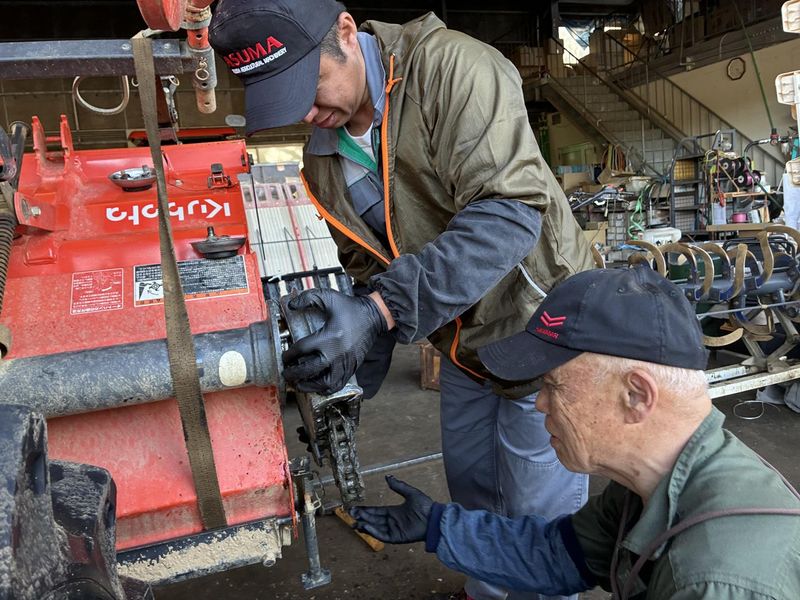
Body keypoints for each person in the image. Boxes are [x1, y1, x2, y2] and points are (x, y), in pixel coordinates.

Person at [209, 3, 595, 598]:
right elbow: (368, 259)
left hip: (540, 329)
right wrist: (368, 333)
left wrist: (381, 311)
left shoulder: (453, 70)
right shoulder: (322, 156)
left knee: (536, 511)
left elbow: (508, 213)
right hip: (462, 343)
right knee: (472, 489)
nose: (309, 113)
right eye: (288, 103)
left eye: (308, 86)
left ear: (345, 29)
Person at [350, 266, 800, 599]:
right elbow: (562, 554)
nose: (540, 403)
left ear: (636, 396)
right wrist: (438, 526)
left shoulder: (713, 579)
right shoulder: (656, 484)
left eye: (553, 385)